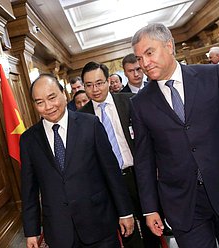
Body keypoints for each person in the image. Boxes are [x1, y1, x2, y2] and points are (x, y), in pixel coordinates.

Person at [131, 23, 219, 248]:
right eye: (139, 58)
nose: (144, 63)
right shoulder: (140, 104)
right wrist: (150, 207)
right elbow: (144, 159)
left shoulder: (212, 76)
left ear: (169, 46)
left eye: (149, 53)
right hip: (182, 203)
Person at [20, 73, 134, 248]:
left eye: (52, 98)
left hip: (99, 223)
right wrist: (31, 231)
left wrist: (125, 212)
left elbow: (111, 172)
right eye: (39, 102)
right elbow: (29, 190)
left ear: (63, 95)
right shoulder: (28, 140)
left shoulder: (91, 124)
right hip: (59, 232)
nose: (48, 106)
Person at [79, 61, 160, 248]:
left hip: (139, 176)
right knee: (127, 233)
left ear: (108, 81)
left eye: (99, 83)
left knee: (152, 229)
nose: (95, 89)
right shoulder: (81, 119)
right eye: (89, 85)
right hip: (109, 184)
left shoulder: (130, 102)